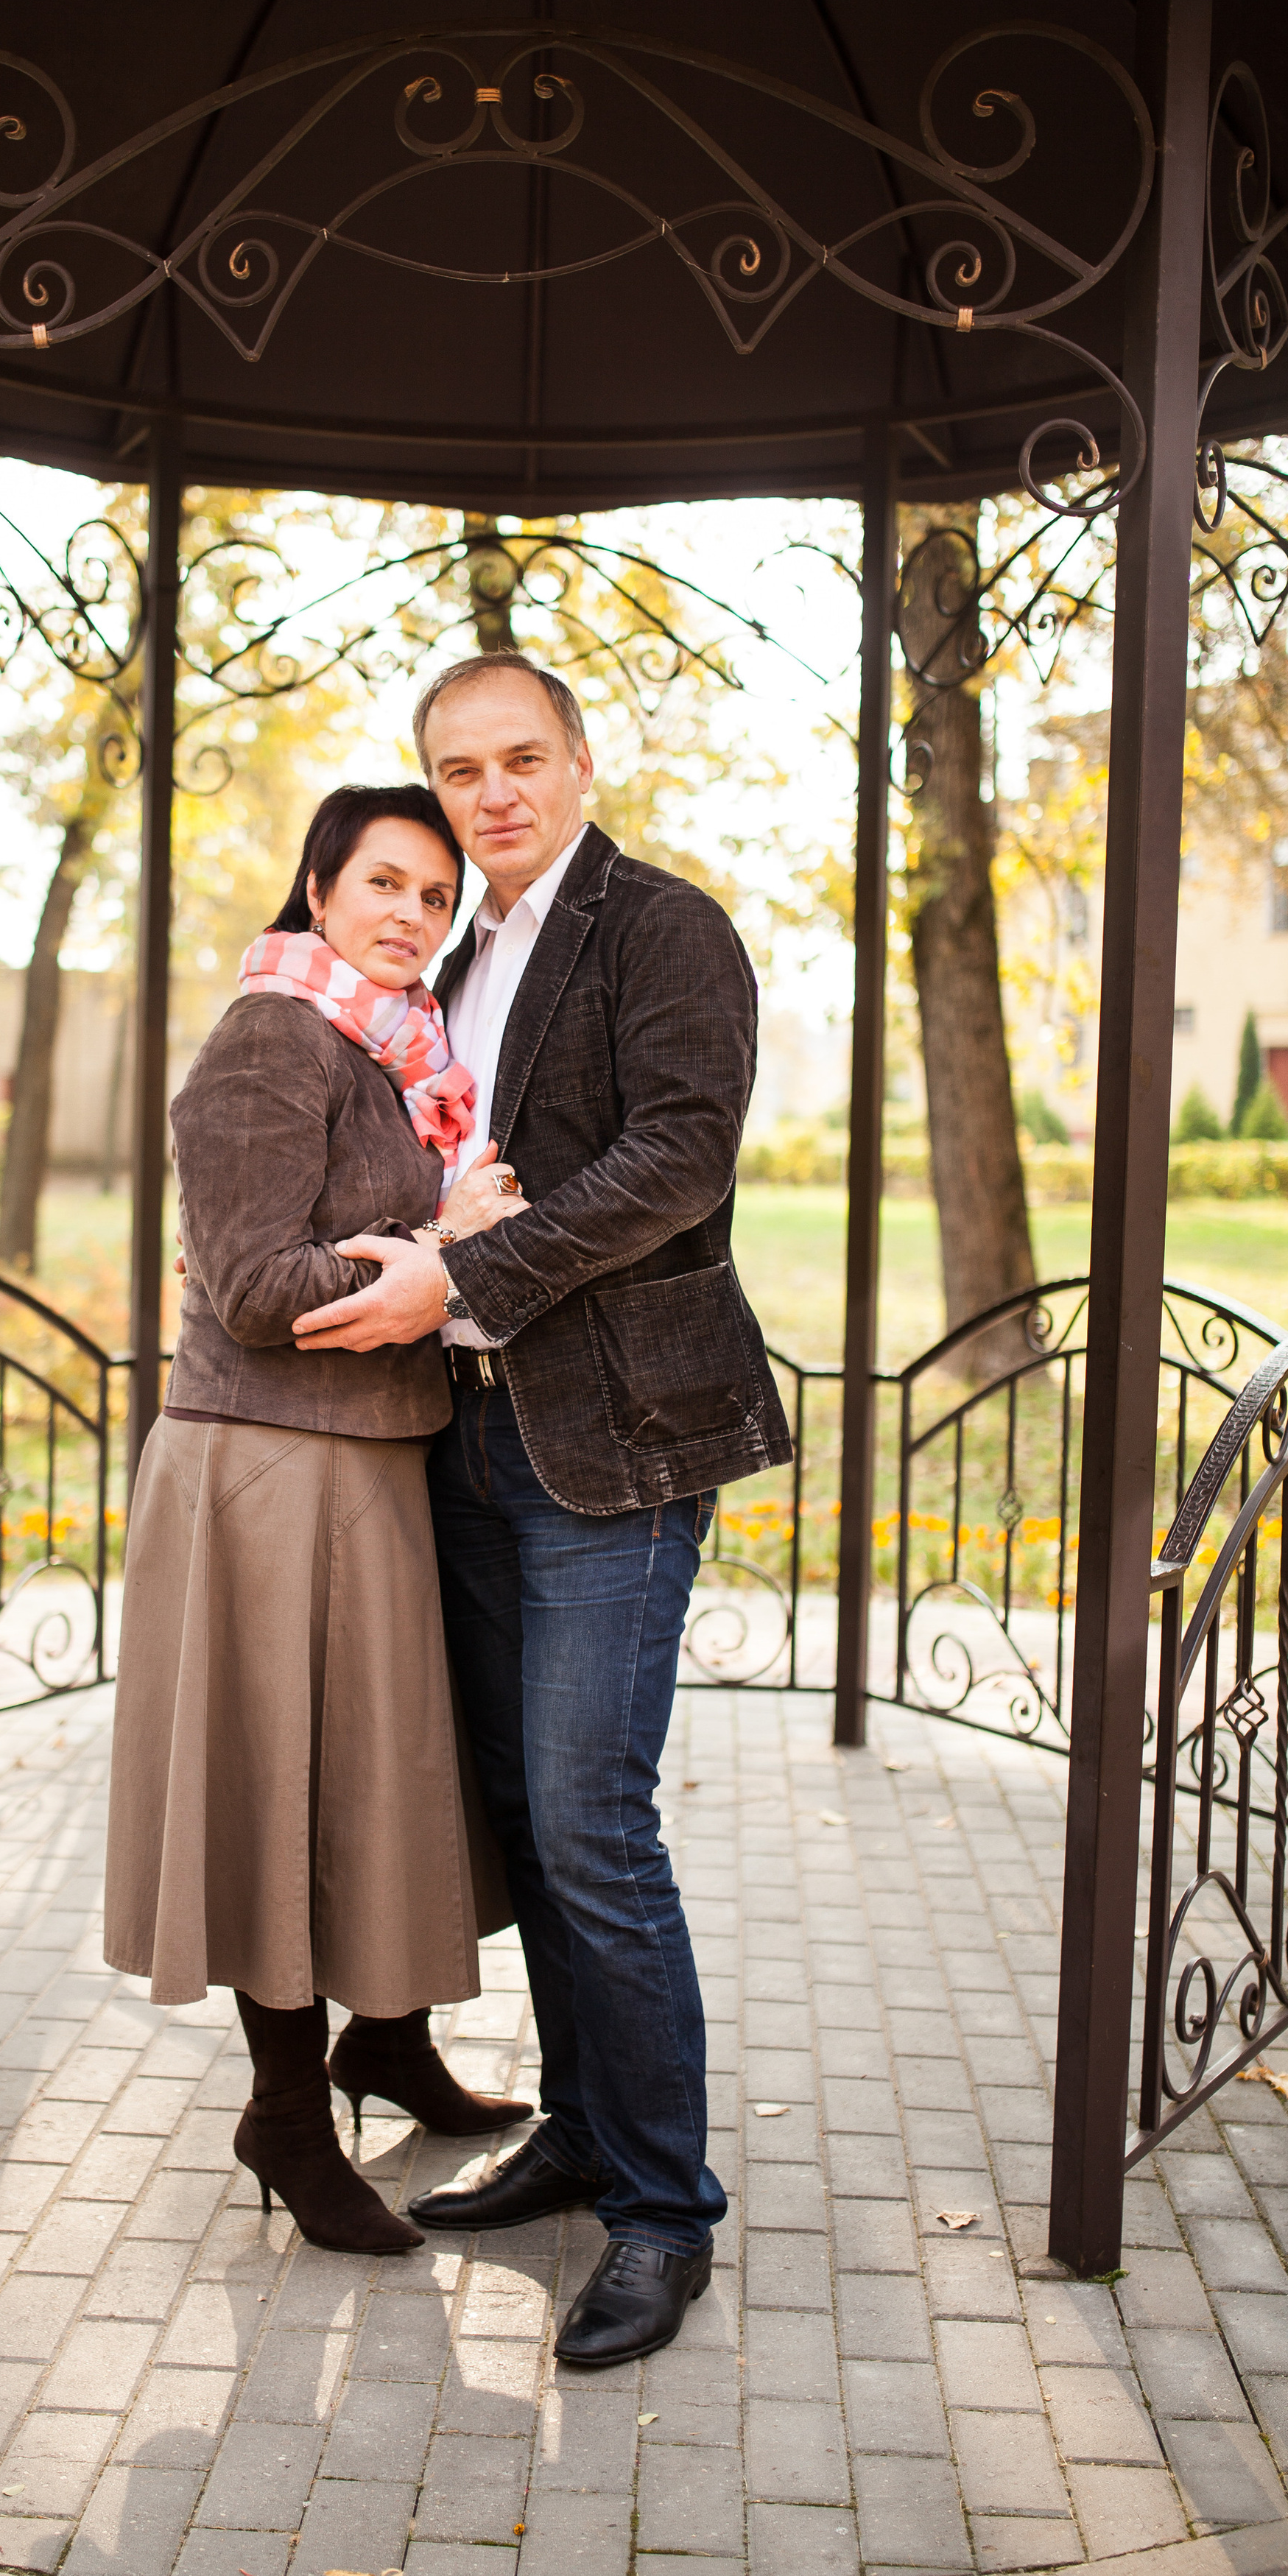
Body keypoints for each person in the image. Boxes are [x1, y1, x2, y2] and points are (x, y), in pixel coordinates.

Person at [292, 657, 791, 2363]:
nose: (491, 791)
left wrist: (463, 1277)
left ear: (578, 763)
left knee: (593, 1826)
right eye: (458, 771)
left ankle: (660, 2212)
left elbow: (677, 1163)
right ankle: (576, 2132)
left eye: (520, 760)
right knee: (523, 1813)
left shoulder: (663, 930)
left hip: (620, 1442)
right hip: (471, 1443)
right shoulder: (446, 961)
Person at [103, 781, 529, 2256]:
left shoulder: (396, 1053)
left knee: (381, 1776)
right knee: (277, 1792)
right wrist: (446, 1246)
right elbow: (258, 1291)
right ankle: (284, 2112)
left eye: (434, 896)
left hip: (373, 1461)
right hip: (259, 1474)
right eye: (384, 885)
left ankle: (386, 2045)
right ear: (319, 888)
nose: (412, 915)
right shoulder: (268, 1040)